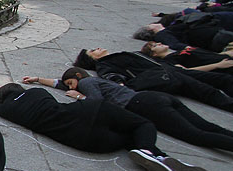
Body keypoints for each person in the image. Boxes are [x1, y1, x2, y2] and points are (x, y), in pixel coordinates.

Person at [0, 83, 213, 171]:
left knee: (125, 139)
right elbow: (49, 98)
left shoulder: (5, 110)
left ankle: (155, 156)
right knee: (142, 125)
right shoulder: (36, 94)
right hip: (89, 112)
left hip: (86, 141)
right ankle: (152, 152)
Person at [24, 69, 228, 171]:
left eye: (72, 83)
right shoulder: (93, 80)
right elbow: (61, 83)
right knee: (206, 126)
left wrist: (79, 97)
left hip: (143, 105)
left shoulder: (87, 82)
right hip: (154, 97)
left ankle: (150, 152)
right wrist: (38, 79)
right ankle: (159, 156)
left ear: (79, 76)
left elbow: (97, 101)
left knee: (195, 134)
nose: (71, 87)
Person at [74, 47, 233, 110]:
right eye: (94, 51)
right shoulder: (105, 64)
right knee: (208, 91)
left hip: (171, 71)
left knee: (221, 79)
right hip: (165, 77)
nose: (98, 48)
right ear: (93, 59)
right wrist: (119, 84)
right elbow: (111, 76)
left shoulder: (120, 54)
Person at [140, 41, 233, 74]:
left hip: (224, 58)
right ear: (154, 54)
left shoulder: (179, 51)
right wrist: (217, 65)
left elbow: (212, 55)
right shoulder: (170, 59)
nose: (160, 43)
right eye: (155, 45)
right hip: (224, 66)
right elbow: (187, 71)